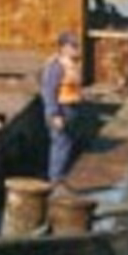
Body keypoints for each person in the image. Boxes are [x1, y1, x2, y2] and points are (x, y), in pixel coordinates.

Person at [40, 31, 84, 182]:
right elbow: (48, 91)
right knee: (60, 146)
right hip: (61, 110)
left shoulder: (73, 64)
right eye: (73, 45)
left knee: (67, 146)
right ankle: (55, 181)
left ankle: (61, 178)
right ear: (63, 47)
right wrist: (54, 114)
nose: (77, 48)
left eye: (77, 45)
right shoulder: (55, 67)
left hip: (72, 109)